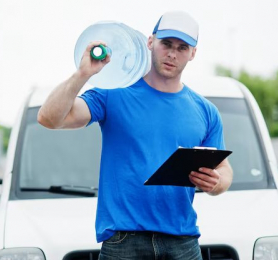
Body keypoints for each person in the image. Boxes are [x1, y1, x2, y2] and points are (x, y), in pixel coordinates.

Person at [38, 10, 233, 260]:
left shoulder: (206, 111)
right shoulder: (113, 93)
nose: (172, 53)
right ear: (150, 42)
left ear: (193, 53)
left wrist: (217, 183)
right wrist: (83, 74)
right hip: (123, 242)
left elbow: (224, 169)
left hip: (182, 241)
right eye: (166, 44)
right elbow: (50, 118)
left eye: (182, 47)